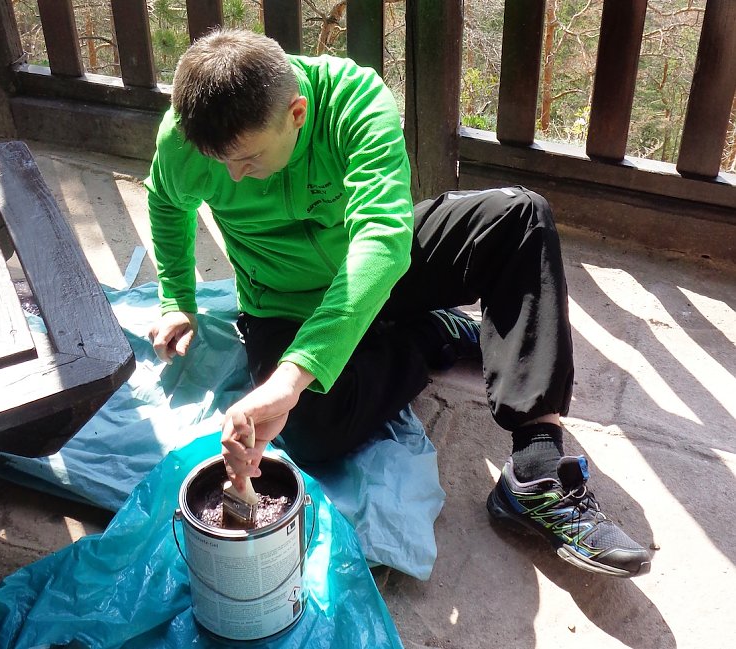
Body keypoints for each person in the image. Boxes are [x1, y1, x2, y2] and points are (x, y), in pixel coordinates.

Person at [145, 28, 652, 578]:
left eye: (246, 158)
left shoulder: (353, 100)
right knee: (312, 431)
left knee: (519, 216)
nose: (232, 176)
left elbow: (383, 245)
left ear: (295, 113)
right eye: (219, 162)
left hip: (382, 266)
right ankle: (433, 335)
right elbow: (166, 199)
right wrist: (176, 296)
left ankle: (536, 466)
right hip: (282, 299)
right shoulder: (186, 136)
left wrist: (293, 375)